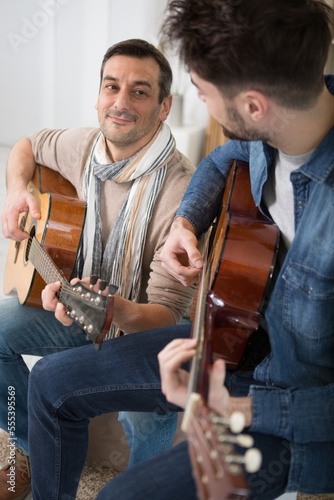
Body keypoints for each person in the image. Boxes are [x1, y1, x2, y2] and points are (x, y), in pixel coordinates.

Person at [27, 0, 334, 498]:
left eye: (203, 92)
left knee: (118, 494)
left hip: (293, 410)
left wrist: (235, 410)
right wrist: (186, 223)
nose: (201, 101)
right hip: (227, 335)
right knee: (48, 384)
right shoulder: (276, 129)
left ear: (254, 107)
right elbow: (222, 158)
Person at [0, 38, 196, 499]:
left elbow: (166, 314)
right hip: (80, 306)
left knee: (148, 411)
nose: (120, 103)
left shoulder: (183, 191)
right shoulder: (85, 146)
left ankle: (148, 488)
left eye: (140, 92)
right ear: (98, 94)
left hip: (142, 326)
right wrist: (15, 191)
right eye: (112, 87)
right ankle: (27, 447)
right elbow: (28, 144)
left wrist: (112, 311)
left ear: (164, 106)